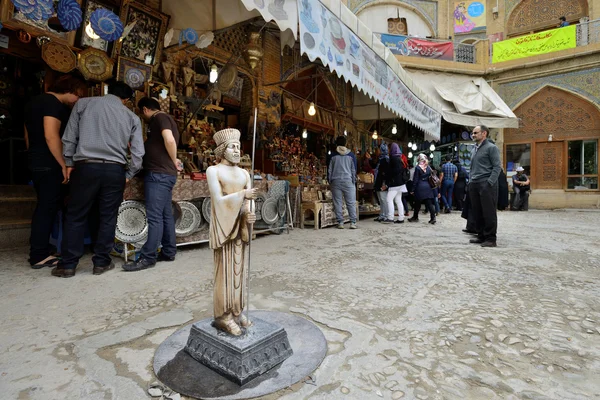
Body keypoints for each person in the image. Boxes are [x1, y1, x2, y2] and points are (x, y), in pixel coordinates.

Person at [52, 81, 145, 278]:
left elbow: (69, 137)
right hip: (115, 171)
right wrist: (128, 175)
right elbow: (138, 154)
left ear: (107, 91)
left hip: (86, 167)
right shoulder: (132, 117)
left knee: (76, 215)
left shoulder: (83, 104)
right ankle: (101, 262)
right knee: (108, 216)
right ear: (126, 100)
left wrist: (69, 163)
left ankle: (68, 265)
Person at [24, 75, 86, 269]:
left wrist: (33, 155)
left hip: (36, 160)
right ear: (71, 90)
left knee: (45, 206)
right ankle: (39, 255)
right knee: (47, 208)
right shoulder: (52, 103)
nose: (77, 100)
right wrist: (63, 164)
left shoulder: (34, 101)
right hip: (49, 162)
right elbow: (51, 135)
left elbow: (27, 134)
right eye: (78, 95)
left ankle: (40, 249)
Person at [206, 128, 257, 336]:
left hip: (240, 228)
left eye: (238, 146)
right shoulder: (214, 171)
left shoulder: (245, 173)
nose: (236, 150)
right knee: (226, 271)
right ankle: (223, 316)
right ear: (222, 150)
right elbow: (218, 201)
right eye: (232, 147)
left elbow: (250, 201)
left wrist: (249, 214)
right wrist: (243, 194)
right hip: (224, 227)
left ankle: (237, 311)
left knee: (239, 270)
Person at [123, 98, 182, 272]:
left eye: (142, 113)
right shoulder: (164, 119)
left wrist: (173, 160)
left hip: (159, 175)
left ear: (146, 109)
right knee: (164, 215)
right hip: (163, 174)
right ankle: (169, 251)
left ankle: (148, 257)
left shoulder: (160, 117)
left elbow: (169, 140)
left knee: (155, 217)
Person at [468, 125, 501, 247]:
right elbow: (472, 168)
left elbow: (497, 167)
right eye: (473, 133)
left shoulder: (491, 148)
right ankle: (481, 236)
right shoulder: (474, 149)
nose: (473, 135)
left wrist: (489, 183)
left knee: (488, 212)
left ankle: (491, 239)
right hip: (474, 183)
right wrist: (470, 181)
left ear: (484, 133)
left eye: (476, 133)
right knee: (477, 212)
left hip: (486, 183)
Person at [328, 135, 358, 229]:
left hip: (336, 181)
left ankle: (340, 222)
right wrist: (353, 181)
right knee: (350, 202)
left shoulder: (333, 155)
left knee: (338, 202)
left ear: (337, 143)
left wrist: (330, 180)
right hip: (348, 181)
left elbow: (329, 170)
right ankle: (353, 222)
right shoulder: (351, 155)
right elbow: (354, 170)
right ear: (345, 143)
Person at [382, 143, 407, 224]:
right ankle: (401, 218)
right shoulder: (399, 158)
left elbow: (394, 171)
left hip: (395, 183)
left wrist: (388, 174)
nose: (388, 150)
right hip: (400, 182)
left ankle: (390, 217)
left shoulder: (393, 158)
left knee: (389, 199)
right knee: (398, 200)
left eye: (389, 149)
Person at [408, 154, 436, 224]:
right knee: (429, 203)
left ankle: (415, 217)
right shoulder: (428, 167)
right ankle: (433, 218)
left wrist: (412, 189)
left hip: (420, 187)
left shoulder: (418, 168)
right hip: (428, 186)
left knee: (417, 203)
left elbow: (415, 179)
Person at [373, 142, 389, 222]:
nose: (377, 151)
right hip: (378, 181)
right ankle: (382, 214)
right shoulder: (380, 159)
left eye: (379, 149)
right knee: (381, 199)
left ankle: (386, 215)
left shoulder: (385, 160)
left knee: (384, 199)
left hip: (382, 182)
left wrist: (385, 183)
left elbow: (386, 173)